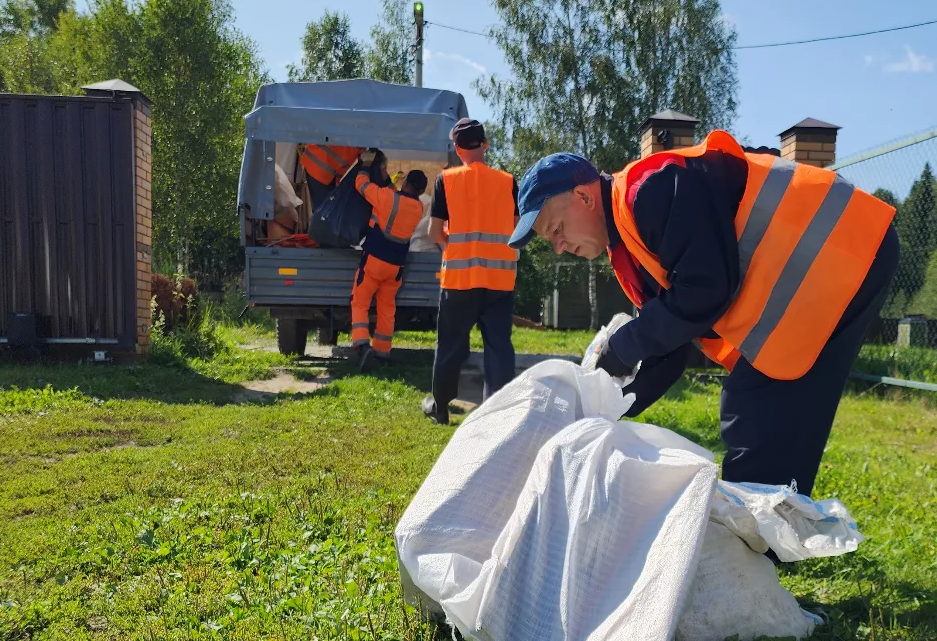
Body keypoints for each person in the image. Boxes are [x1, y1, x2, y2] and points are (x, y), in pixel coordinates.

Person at [509, 129, 898, 497]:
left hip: (843, 247)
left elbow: (705, 290)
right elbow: (671, 346)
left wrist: (625, 343)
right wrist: (608, 404)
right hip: (827, 258)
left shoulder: (650, 191)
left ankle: (757, 543)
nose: (558, 246)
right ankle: (768, 533)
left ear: (584, 197)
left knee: (755, 406)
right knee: (766, 407)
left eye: (556, 228)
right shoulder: (628, 245)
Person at [421, 119, 520, 425]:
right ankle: (499, 412)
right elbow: (517, 229)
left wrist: (456, 238)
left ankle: (440, 407)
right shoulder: (507, 181)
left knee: (451, 343)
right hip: (500, 279)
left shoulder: (446, 181)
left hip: (461, 279)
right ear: (486, 145)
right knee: (499, 346)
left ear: (457, 148)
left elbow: (434, 233)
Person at [350, 148, 428, 371]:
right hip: (396, 268)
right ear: (421, 190)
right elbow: (397, 199)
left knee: (360, 301)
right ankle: (382, 352)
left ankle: (362, 347)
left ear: (406, 184)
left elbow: (361, 185)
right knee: (386, 308)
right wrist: (386, 178)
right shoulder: (418, 208)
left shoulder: (387, 198)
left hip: (375, 261)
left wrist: (365, 165)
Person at [299, 144, 364, 208]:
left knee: (325, 209)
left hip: (320, 164)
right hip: (319, 167)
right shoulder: (356, 142)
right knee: (324, 210)